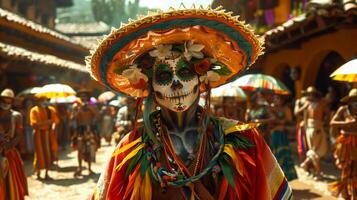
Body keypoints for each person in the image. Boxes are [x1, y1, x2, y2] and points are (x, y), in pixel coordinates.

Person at [88, 6, 292, 199]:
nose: (176, 85)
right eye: (164, 76)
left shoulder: (245, 140)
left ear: (201, 79)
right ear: (150, 87)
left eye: (185, 72)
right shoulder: (131, 147)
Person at [329, 88, 357, 199]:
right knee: (347, 167)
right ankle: (347, 193)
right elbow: (332, 123)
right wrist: (346, 123)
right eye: (354, 100)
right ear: (349, 101)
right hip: (346, 143)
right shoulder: (343, 109)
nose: (356, 102)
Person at [0, 89, 28, 199]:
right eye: (3, 101)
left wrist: (8, 146)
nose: (6, 104)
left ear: (12, 102)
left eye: (8, 102)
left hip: (10, 153)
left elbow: (19, 135)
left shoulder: (17, 116)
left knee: (11, 182)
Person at [296, 86, 329, 179]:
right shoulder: (307, 104)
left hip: (317, 128)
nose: (309, 96)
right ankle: (316, 171)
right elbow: (297, 113)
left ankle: (308, 165)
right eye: (308, 94)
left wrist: (324, 124)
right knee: (313, 151)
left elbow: (327, 113)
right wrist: (301, 105)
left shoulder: (320, 104)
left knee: (315, 152)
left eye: (311, 94)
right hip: (308, 128)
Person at [30, 95, 59, 179]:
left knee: (48, 153)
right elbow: (34, 124)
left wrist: (52, 125)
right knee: (39, 153)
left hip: (49, 134)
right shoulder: (34, 110)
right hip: (38, 135)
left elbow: (55, 121)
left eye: (45, 100)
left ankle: (46, 173)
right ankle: (38, 172)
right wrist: (47, 122)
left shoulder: (50, 110)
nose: (43, 101)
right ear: (37, 101)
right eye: (41, 100)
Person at [270, 94, 298, 181]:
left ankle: (285, 177)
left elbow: (289, 121)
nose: (275, 100)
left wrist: (281, 122)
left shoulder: (286, 109)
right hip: (272, 134)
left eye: (278, 98)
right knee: (274, 154)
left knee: (283, 154)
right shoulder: (270, 108)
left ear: (282, 100)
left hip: (282, 134)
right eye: (274, 98)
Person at [73, 90, 99, 176]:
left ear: (88, 98)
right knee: (80, 149)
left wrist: (91, 109)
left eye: (85, 96)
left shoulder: (93, 106)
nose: (84, 98)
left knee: (90, 148)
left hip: (90, 129)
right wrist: (79, 110)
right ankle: (80, 167)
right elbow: (72, 118)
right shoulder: (76, 107)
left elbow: (98, 117)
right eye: (82, 96)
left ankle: (89, 168)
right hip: (80, 130)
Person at [294, 93, 308, 161]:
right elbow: (296, 113)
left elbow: (296, 112)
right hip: (302, 127)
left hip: (307, 127)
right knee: (302, 145)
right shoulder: (302, 102)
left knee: (306, 145)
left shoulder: (309, 103)